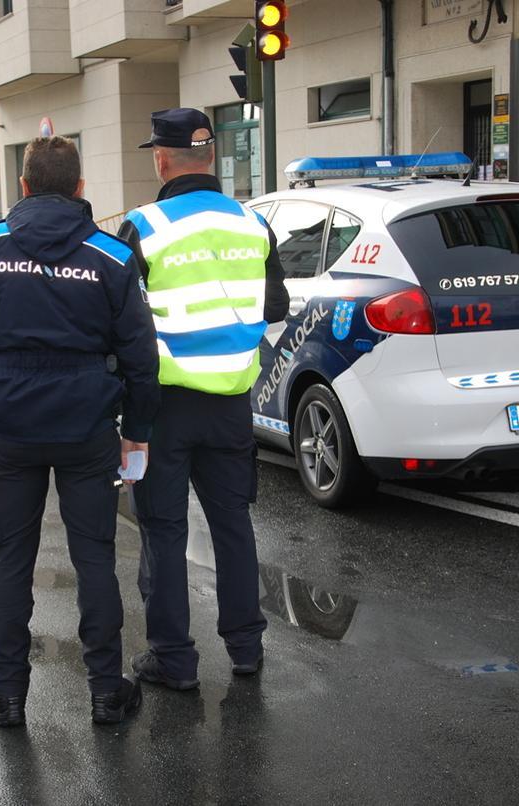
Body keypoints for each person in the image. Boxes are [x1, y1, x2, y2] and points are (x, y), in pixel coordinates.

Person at [0, 135, 160, 727]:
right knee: (94, 555)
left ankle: (10, 694)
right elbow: (141, 358)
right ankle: (104, 690)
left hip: (12, 426)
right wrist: (138, 431)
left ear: (23, 186)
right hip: (87, 426)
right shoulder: (111, 257)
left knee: (10, 558)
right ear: (79, 189)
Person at [117, 108, 290, 691]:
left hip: (164, 406)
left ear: (162, 160)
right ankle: (246, 647)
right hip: (233, 403)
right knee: (232, 524)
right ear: (211, 156)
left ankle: (174, 659)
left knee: (163, 529)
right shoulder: (252, 223)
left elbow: (124, 325)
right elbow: (276, 307)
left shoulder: (144, 226)